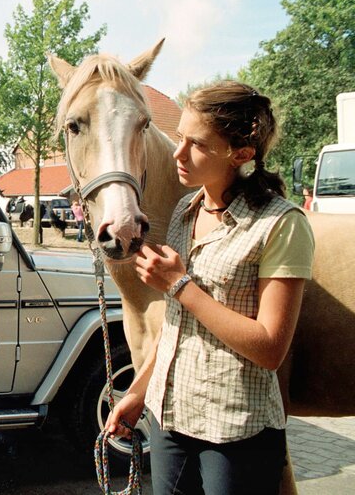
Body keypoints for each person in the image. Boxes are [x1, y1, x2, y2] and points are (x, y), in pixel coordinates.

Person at [106, 81, 314, 495]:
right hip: (170, 420)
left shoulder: (281, 225)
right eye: (179, 138)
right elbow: (177, 326)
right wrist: (138, 391)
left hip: (236, 430)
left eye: (196, 144)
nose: (178, 153)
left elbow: (270, 348)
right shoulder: (187, 209)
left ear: (241, 154)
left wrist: (180, 285)